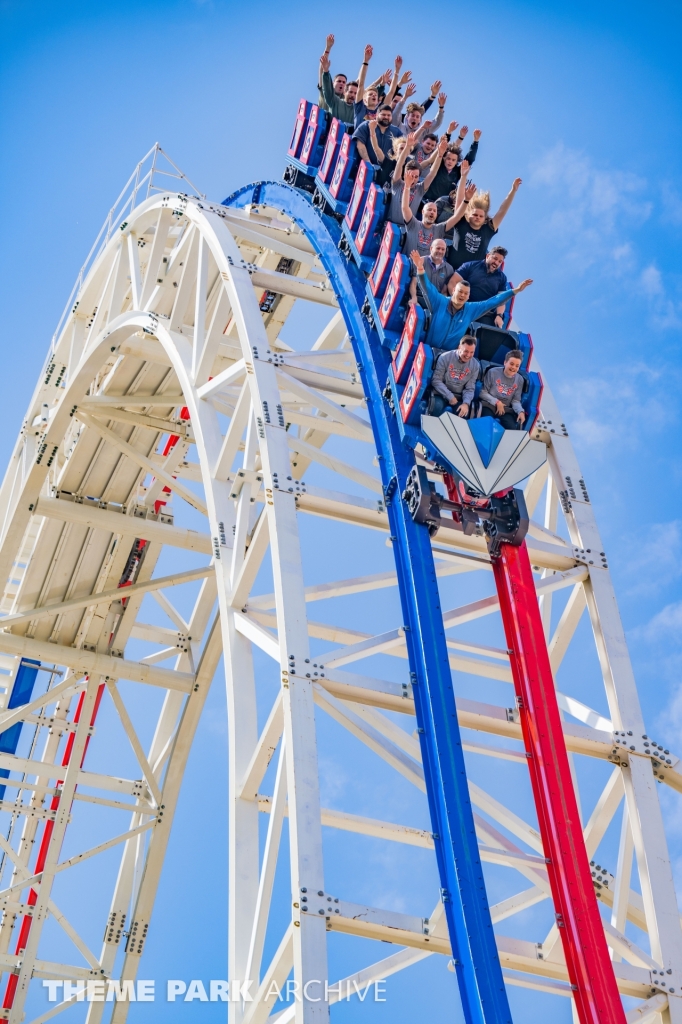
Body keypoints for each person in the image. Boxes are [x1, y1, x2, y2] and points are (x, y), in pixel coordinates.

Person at [409, 249, 533, 350]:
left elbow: (494, 301)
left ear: (469, 297)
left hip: (446, 356)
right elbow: (427, 287)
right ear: (453, 291)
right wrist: (420, 268)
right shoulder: (440, 302)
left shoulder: (471, 309)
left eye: (465, 293)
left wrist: (516, 290)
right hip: (427, 350)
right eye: (460, 292)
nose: (462, 295)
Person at [448, 165, 523, 269]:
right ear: (469, 215)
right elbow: (460, 201)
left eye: (480, 216)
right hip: (449, 268)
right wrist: (463, 176)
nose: (477, 217)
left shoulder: (488, 230)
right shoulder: (460, 222)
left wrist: (513, 191)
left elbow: (502, 211)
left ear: (484, 219)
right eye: (474, 215)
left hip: (468, 277)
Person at [401, 167, 466, 257]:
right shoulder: (413, 224)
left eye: (434, 211)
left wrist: (466, 200)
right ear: (423, 212)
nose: (432, 212)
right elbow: (405, 207)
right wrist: (407, 187)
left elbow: (457, 216)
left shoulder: (438, 229)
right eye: (429, 209)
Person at [388, 134, 445, 226]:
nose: (413, 179)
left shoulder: (419, 189)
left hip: (407, 229)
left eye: (416, 177)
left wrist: (440, 155)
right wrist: (407, 146)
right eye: (411, 176)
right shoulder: (397, 183)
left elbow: (432, 173)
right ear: (405, 174)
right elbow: (399, 164)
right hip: (390, 224)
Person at [450, 247, 509, 328]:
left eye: (500, 261)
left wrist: (499, 315)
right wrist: (455, 302)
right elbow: (453, 282)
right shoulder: (471, 265)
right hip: (464, 307)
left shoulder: (502, 278)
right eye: (495, 258)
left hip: (484, 314)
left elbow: (501, 300)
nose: (496, 263)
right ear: (488, 256)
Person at [423, 129, 481, 202]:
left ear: (457, 161)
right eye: (448, 159)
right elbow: (442, 147)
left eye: (453, 160)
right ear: (444, 158)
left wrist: (475, 142)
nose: (450, 162)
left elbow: (469, 159)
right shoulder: (439, 165)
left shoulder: (457, 172)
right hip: (425, 199)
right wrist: (447, 135)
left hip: (441, 205)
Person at [430, 336, 480, 417]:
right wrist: (449, 396)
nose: (468, 355)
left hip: (458, 398)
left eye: (472, 352)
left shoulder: (475, 365)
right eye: (466, 351)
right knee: (437, 407)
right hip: (440, 393)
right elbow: (436, 380)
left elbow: (470, 388)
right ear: (459, 347)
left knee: (463, 414)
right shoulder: (445, 357)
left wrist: (466, 403)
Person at [353, 105, 403, 185]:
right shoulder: (366, 125)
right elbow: (360, 144)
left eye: (388, 115)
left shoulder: (397, 131)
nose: (386, 117)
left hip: (385, 174)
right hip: (364, 169)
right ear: (377, 115)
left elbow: (401, 151)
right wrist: (369, 165)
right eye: (383, 115)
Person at [479, 350, 527, 429]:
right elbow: (482, 392)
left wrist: (520, 411)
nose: (513, 368)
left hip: (505, 410)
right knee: (486, 424)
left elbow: (515, 401)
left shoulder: (520, 380)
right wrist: (497, 402)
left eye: (517, 366)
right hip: (489, 406)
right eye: (511, 364)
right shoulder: (493, 372)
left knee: (512, 429)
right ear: (505, 362)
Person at [409, 238, 453, 304]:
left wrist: (441, 303)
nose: (440, 251)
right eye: (438, 248)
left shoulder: (449, 269)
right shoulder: (420, 261)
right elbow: (414, 283)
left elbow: (444, 292)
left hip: (435, 302)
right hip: (419, 298)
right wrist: (414, 297)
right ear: (431, 248)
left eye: (443, 249)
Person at [318, 53, 358, 125]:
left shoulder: (355, 107)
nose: (341, 83)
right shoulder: (334, 100)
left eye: (344, 82)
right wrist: (326, 71)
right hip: (326, 128)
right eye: (339, 81)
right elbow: (326, 87)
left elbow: (361, 85)